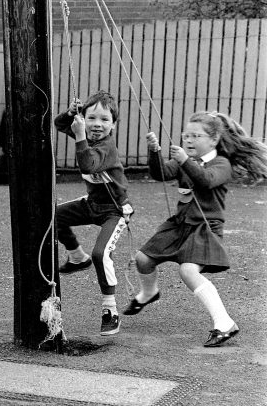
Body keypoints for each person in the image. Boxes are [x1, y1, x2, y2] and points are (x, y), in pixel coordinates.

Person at [123, 111, 267, 347]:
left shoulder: (221, 164)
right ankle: (149, 293)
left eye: (196, 136)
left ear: (214, 139)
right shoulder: (186, 160)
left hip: (205, 227)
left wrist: (183, 161)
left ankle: (224, 322)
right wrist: (154, 151)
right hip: (180, 223)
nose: (189, 140)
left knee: (188, 271)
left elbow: (206, 180)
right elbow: (160, 173)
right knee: (143, 259)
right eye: (186, 135)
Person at [53, 90, 134, 336]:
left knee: (101, 254)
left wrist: (79, 134)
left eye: (105, 119)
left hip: (115, 211)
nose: (97, 124)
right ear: (84, 119)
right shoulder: (85, 134)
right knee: (53, 216)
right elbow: (60, 124)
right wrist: (70, 114)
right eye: (91, 118)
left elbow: (88, 164)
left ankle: (110, 311)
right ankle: (78, 257)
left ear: (113, 124)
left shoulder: (106, 146)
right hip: (92, 204)